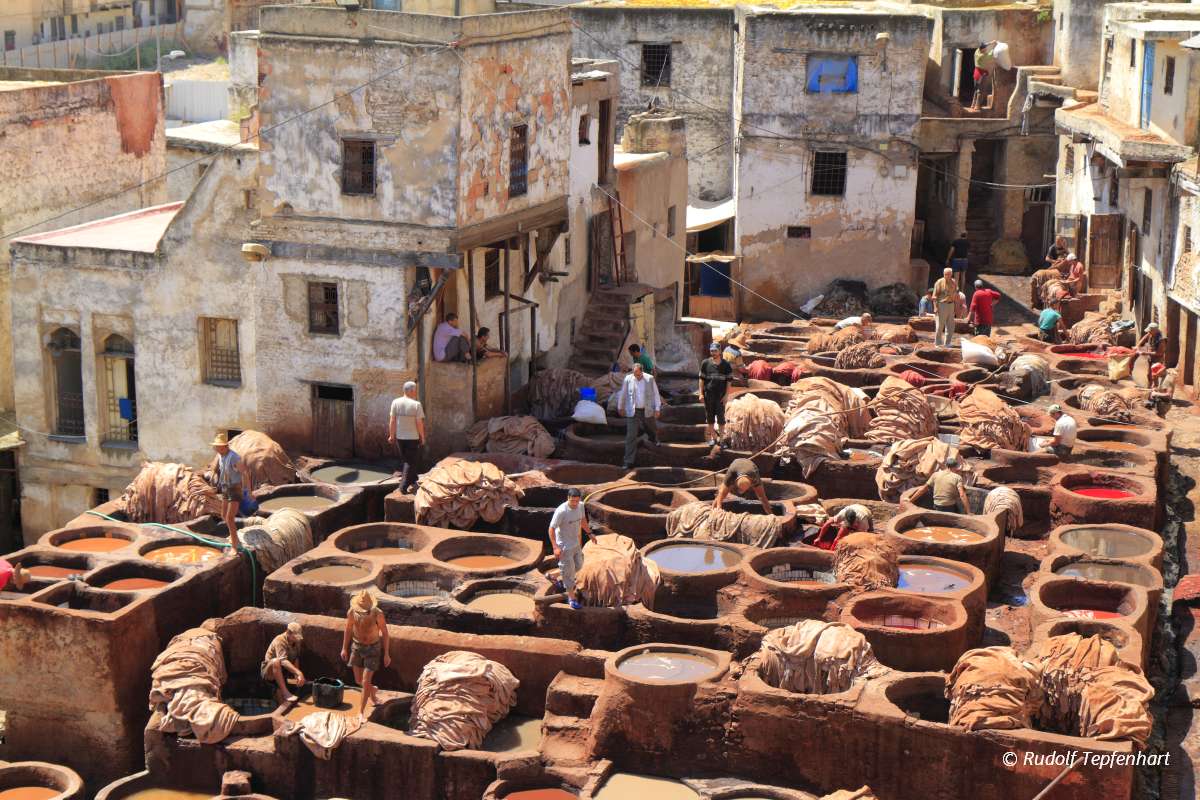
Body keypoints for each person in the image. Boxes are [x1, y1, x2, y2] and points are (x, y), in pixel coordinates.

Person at [341, 590, 390, 720]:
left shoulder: (378, 614)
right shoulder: (352, 612)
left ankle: (361, 712)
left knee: (365, 680)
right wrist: (344, 648)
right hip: (357, 647)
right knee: (358, 680)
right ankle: (372, 691)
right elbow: (348, 629)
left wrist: (386, 654)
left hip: (373, 649)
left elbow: (385, 633)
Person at [548, 487, 595, 610]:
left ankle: (553, 575)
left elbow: (583, 520)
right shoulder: (561, 511)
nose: (574, 503)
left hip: (575, 543)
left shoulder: (581, 506)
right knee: (569, 574)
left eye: (576, 501)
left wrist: (590, 533)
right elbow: (551, 529)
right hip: (564, 545)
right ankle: (572, 599)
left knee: (579, 565)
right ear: (567, 498)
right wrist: (555, 547)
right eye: (572, 501)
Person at [211, 432, 252, 555]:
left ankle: (235, 546)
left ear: (225, 446)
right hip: (225, 487)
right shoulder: (221, 456)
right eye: (216, 447)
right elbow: (221, 470)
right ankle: (235, 537)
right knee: (223, 515)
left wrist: (248, 491)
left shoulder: (234, 457)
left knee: (229, 518)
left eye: (219, 447)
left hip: (235, 488)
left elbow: (245, 473)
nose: (217, 449)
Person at [617, 361, 661, 468]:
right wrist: (620, 407)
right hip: (633, 411)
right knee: (631, 435)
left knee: (651, 427)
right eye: (634, 374)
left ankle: (654, 438)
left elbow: (656, 394)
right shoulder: (628, 379)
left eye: (638, 374)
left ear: (642, 372)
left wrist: (657, 408)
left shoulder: (649, 379)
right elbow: (623, 393)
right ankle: (628, 461)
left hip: (647, 409)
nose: (636, 376)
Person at [388, 381, 426, 493]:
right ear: (411, 391)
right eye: (415, 390)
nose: (415, 392)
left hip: (400, 437)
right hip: (412, 438)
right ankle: (403, 486)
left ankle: (413, 478)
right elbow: (419, 423)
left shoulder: (395, 402)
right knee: (410, 461)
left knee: (407, 460)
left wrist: (391, 435)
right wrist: (422, 436)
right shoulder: (416, 404)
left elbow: (392, 420)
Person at [261, 622, 305, 704]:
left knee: (283, 703)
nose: (296, 639)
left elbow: (296, 658)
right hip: (269, 671)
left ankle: (283, 696)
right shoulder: (279, 640)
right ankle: (285, 693)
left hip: (282, 672)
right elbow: (283, 661)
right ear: (288, 632)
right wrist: (298, 672)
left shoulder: (297, 642)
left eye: (298, 637)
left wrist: (296, 676)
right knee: (276, 661)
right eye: (294, 637)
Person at [699, 341, 733, 446]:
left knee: (721, 419)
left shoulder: (726, 365)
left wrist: (726, 395)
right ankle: (714, 438)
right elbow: (701, 379)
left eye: (715, 351)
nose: (713, 353)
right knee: (710, 418)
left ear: (720, 352)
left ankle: (721, 440)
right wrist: (701, 393)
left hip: (720, 396)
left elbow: (729, 381)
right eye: (711, 351)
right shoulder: (705, 363)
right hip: (708, 395)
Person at [809, 503, 874, 550]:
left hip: (866, 512)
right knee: (838, 538)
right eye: (850, 523)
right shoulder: (842, 514)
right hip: (854, 508)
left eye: (853, 524)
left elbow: (862, 535)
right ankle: (832, 550)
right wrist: (819, 538)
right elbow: (828, 523)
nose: (852, 525)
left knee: (869, 536)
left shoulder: (863, 520)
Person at [932, 267, 958, 347]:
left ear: (951, 274)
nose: (947, 276)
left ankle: (948, 343)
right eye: (945, 274)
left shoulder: (954, 282)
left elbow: (956, 292)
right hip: (942, 305)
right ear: (943, 274)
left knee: (950, 326)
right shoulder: (939, 282)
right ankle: (938, 343)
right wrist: (935, 307)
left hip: (951, 304)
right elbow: (934, 296)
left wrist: (956, 306)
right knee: (940, 325)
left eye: (948, 274)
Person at [971, 41, 997, 111]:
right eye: (985, 48)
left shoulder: (977, 52)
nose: (986, 49)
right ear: (982, 49)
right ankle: (977, 106)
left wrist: (990, 43)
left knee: (976, 89)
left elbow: (983, 46)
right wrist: (994, 47)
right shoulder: (983, 56)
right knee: (980, 90)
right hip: (981, 74)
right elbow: (991, 54)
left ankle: (973, 104)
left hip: (976, 72)